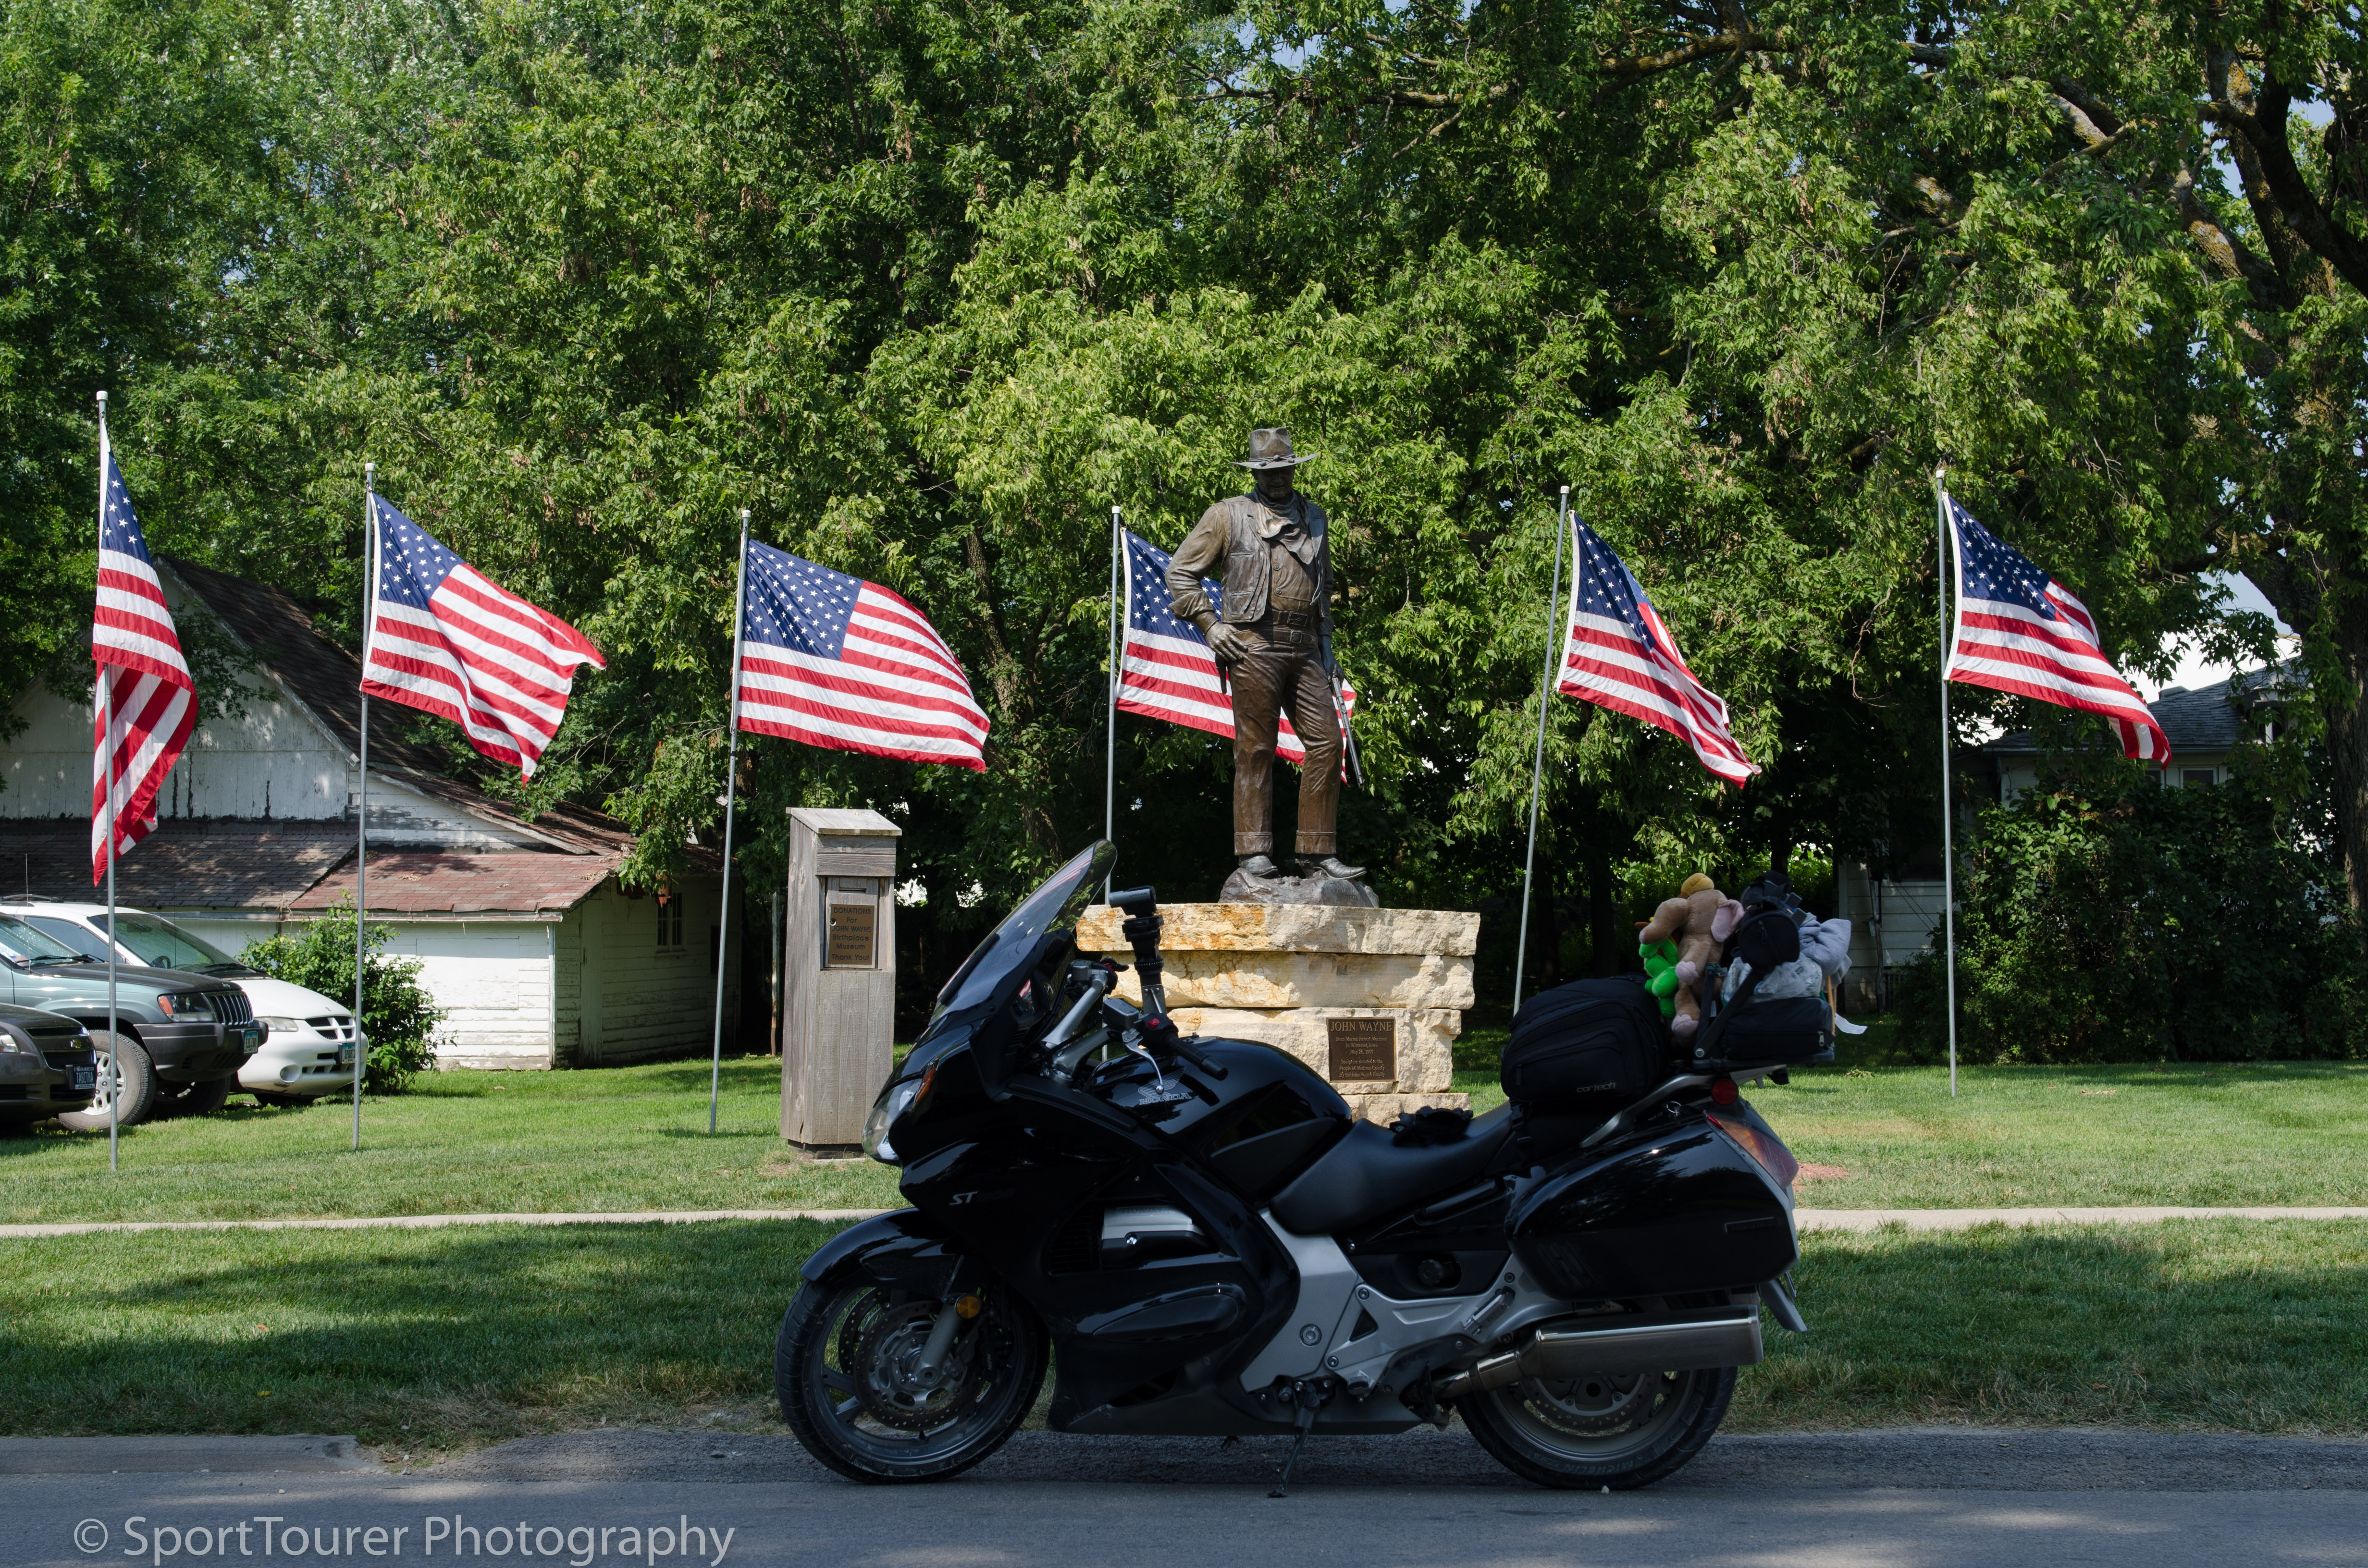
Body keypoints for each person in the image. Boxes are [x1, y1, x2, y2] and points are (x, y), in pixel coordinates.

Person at [1165, 428, 1363, 883]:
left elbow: (1325, 588)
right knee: (1256, 748)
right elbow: (1181, 573)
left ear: (1294, 467)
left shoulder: (1315, 517)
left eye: (1284, 469)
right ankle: (1254, 852)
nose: (1277, 478)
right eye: (1267, 471)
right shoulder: (1227, 516)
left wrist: (1328, 649)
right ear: (1256, 472)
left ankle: (1316, 852)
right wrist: (1212, 627)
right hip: (1252, 644)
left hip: (1306, 647)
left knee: (1328, 744)